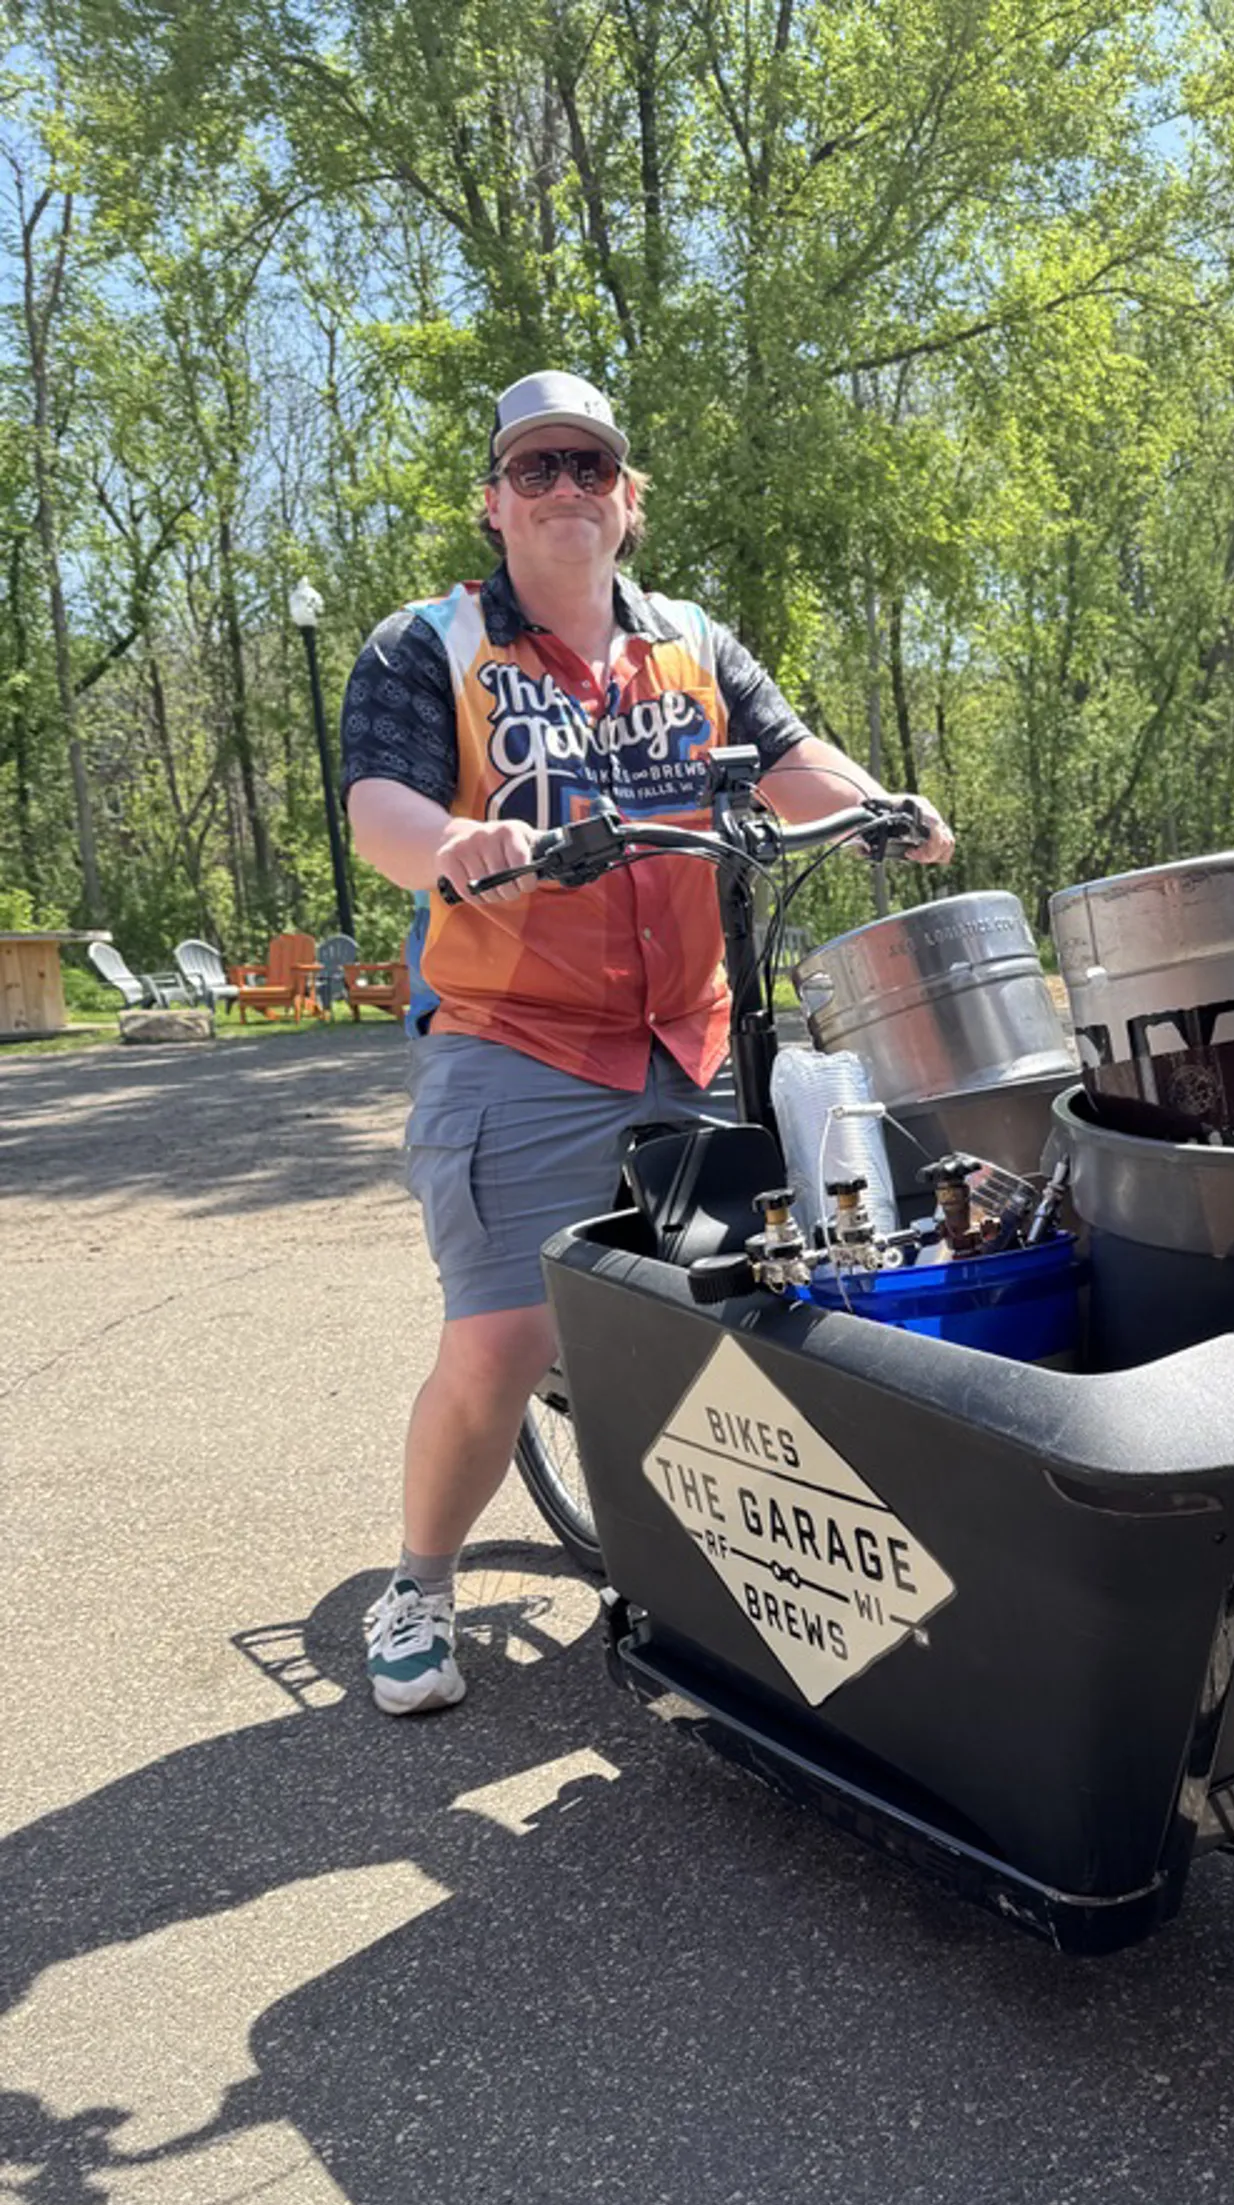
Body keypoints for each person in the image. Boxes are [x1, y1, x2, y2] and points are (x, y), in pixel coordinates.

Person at [341, 369, 953, 1714]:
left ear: (630, 502)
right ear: (494, 503)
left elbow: (787, 759)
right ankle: (418, 1587)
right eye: (537, 469)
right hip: (519, 1041)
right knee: (500, 1335)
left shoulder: (691, 642)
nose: (567, 489)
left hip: (692, 1033)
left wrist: (880, 807)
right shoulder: (427, 647)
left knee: (775, 1290)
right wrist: (454, 843)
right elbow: (379, 801)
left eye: (591, 469)